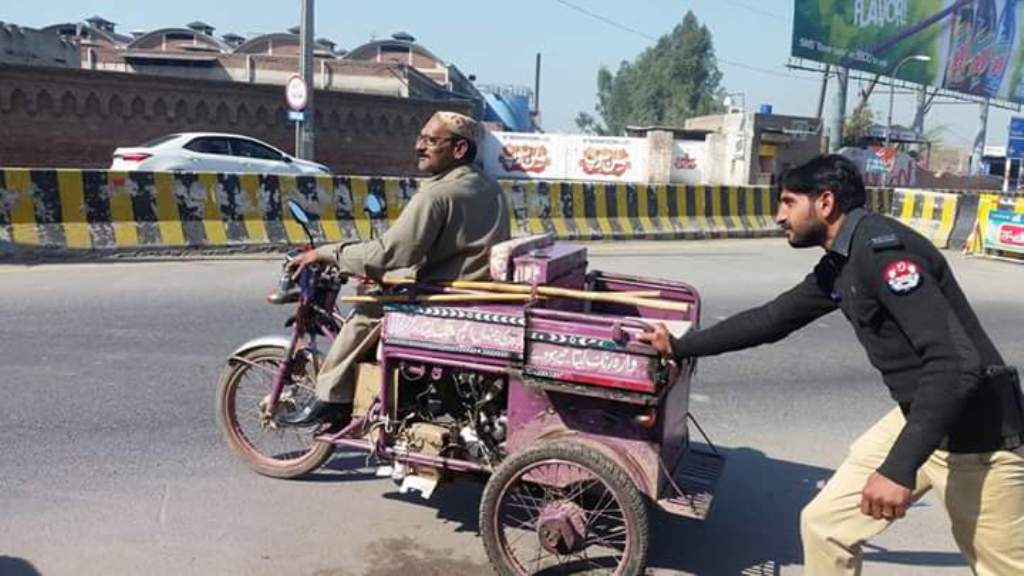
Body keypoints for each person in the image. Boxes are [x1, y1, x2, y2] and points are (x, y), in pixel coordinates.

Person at [639, 154, 1024, 575]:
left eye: (788, 202)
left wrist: (898, 469)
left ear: (825, 202)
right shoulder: (842, 261)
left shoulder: (882, 252)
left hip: (978, 437)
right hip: (921, 418)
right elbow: (772, 319)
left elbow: (955, 364)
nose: (779, 216)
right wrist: (681, 345)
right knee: (826, 527)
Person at [283, 110, 510, 426]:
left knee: (366, 310)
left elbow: (388, 254)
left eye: (431, 141)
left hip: (447, 298)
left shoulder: (436, 194)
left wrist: (326, 252)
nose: (420, 147)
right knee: (385, 285)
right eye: (420, 138)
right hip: (473, 288)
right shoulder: (489, 186)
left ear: (459, 150)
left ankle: (333, 397)